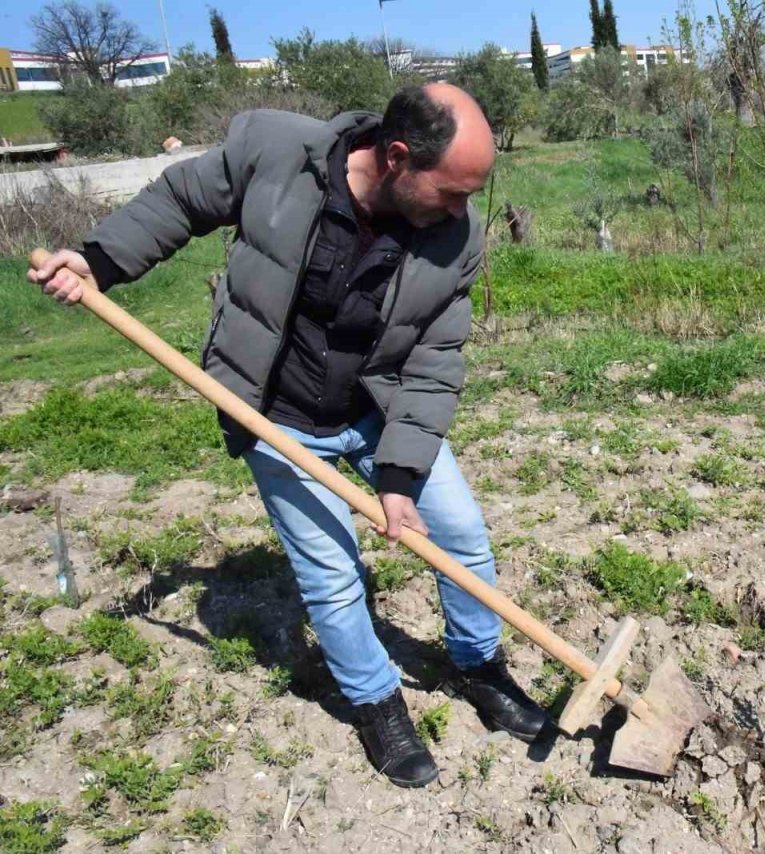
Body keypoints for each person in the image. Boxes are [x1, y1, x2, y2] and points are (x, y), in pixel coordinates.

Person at [27, 83, 548, 789]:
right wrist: (100, 260)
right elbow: (180, 201)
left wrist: (397, 480)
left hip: (378, 411)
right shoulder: (274, 150)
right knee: (333, 578)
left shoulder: (455, 240)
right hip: (276, 415)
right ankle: (375, 703)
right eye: (452, 193)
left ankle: (478, 664)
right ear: (397, 157)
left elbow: (434, 363)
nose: (462, 211)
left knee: (460, 535)